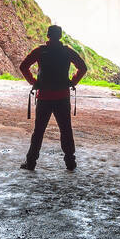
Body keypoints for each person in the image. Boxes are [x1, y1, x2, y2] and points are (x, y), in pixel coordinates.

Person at [19, 25, 86, 171]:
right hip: (62, 97)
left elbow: (23, 67)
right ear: (60, 36)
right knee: (66, 130)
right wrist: (73, 81)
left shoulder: (40, 51)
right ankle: (70, 163)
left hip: (44, 97)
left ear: (48, 36)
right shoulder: (67, 51)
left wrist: (34, 82)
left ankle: (30, 163)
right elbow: (83, 67)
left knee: (39, 131)